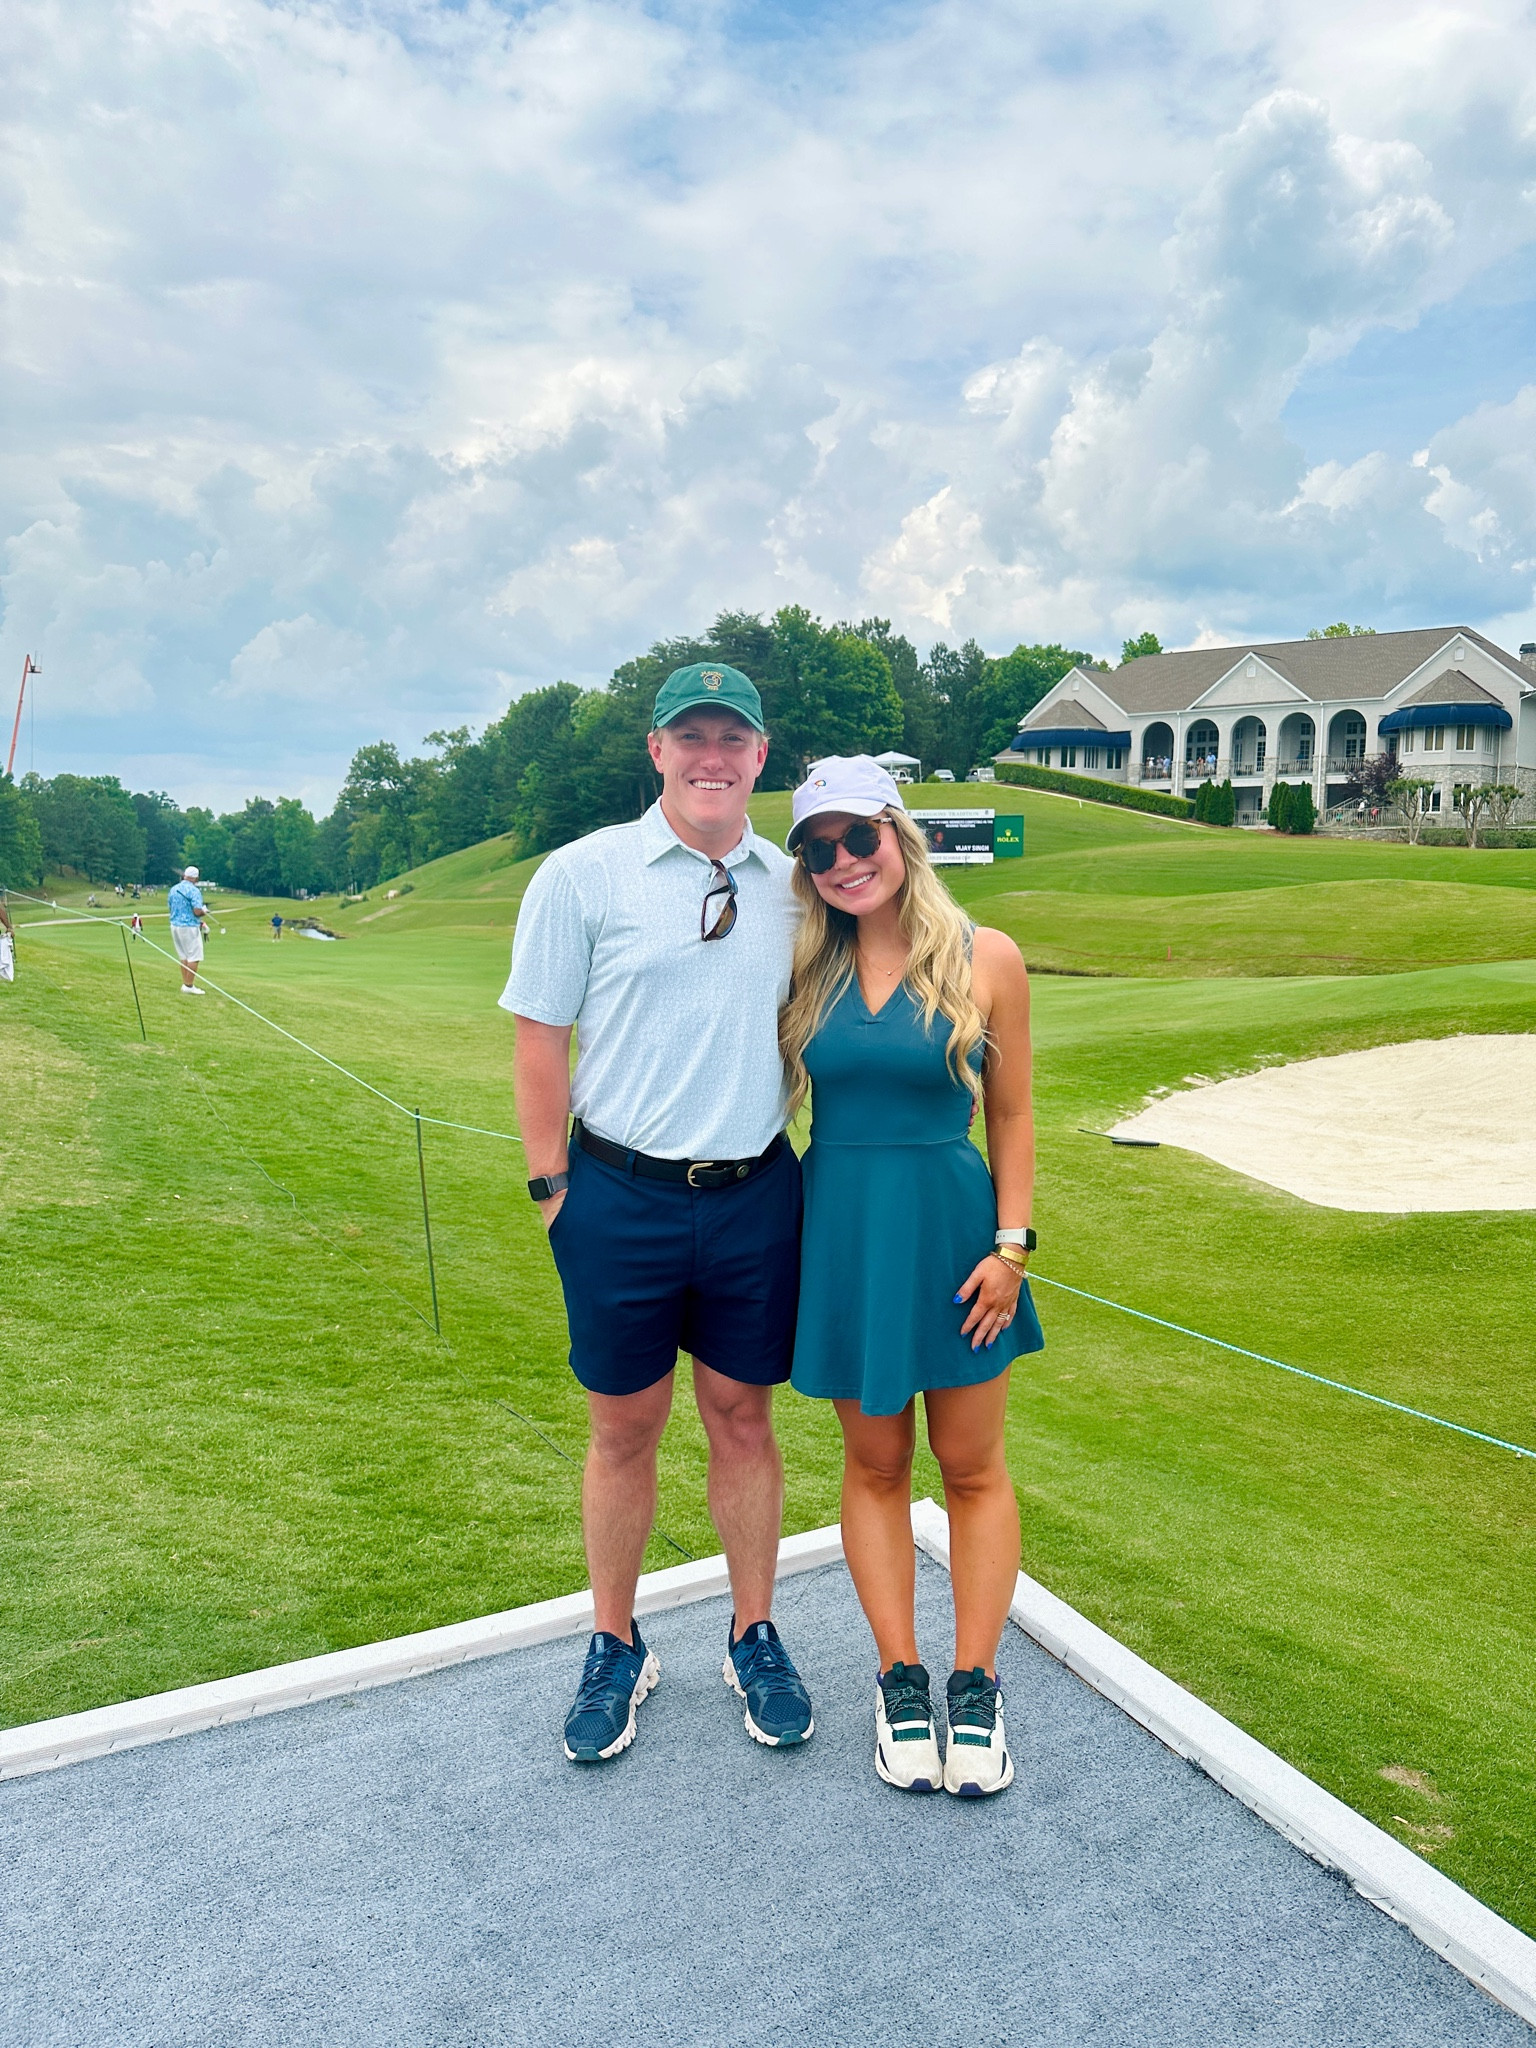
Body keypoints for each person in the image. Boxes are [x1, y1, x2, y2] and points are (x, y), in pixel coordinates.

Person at [505, 662, 813, 1767]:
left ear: (761, 755)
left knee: (743, 1418)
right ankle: (615, 1642)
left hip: (754, 1192)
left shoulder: (797, 886)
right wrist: (554, 1192)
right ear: (657, 750)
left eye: (733, 737)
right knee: (623, 1428)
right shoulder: (583, 874)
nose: (711, 757)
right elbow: (538, 1039)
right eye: (692, 736)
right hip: (617, 1195)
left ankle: (753, 1632)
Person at [781, 756, 1042, 1799]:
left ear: (899, 834)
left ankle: (976, 1684)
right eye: (820, 848)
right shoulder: (804, 965)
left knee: (971, 1466)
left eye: (860, 836)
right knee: (876, 1461)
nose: (844, 860)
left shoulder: (988, 956)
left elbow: (1012, 1113)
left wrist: (1012, 1248)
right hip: (845, 1235)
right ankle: (900, 1679)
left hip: (956, 1236)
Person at [167, 866, 210, 993]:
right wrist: (204, 911)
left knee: (184, 956)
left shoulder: (174, 889)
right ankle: (189, 986)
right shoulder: (194, 891)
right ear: (196, 878)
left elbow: (170, 906)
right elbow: (197, 911)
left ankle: (186, 984)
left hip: (175, 925)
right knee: (194, 956)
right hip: (189, 926)